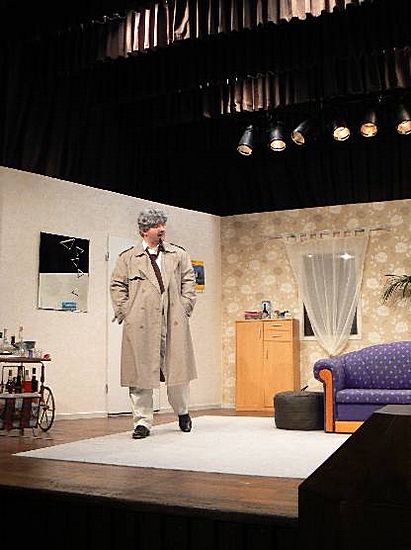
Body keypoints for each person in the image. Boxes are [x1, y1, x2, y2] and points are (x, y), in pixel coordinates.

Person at [110, 208, 197, 439]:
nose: (162, 229)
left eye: (163, 224)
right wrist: (125, 311)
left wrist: (185, 306)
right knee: (140, 375)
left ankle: (183, 412)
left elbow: (189, 281)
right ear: (144, 230)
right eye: (157, 225)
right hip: (140, 322)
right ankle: (142, 422)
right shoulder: (128, 258)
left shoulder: (178, 254)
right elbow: (117, 285)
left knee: (177, 372)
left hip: (173, 320)